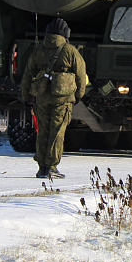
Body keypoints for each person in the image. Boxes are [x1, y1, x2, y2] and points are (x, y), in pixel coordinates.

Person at [20, 18, 89, 179]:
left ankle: (42, 167)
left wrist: (25, 96)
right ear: (65, 34)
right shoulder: (70, 51)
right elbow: (80, 74)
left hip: (42, 98)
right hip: (62, 99)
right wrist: (78, 95)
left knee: (42, 131)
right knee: (57, 132)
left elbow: (27, 75)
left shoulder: (38, 50)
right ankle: (51, 166)